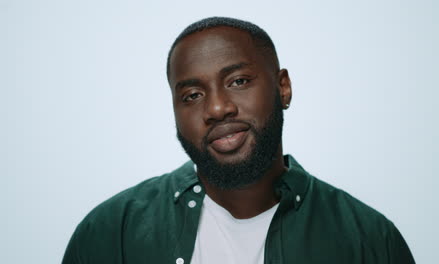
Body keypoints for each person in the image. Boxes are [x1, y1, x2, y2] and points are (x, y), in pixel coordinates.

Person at [62, 17, 415, 264]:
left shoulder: (369, 240)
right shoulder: (110, 234)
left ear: (283, 88)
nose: (217, 108)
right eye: (192, 95)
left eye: (239, 81)